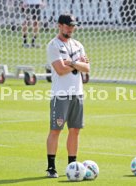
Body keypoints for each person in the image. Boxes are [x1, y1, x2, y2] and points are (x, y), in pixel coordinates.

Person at [45, 13, 90, 178]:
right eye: (67, 25)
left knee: (75, 130)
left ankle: (72, 165)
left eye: (72, 26)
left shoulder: (78, 44)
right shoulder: (53, 45)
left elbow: (87, 69)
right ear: (59, 25)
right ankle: (51, 167)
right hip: (60, 95)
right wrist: (76, 63)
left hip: (77, 94)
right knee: (55, 130)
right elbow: (60, 70)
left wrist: (71, 63)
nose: (71, 28)